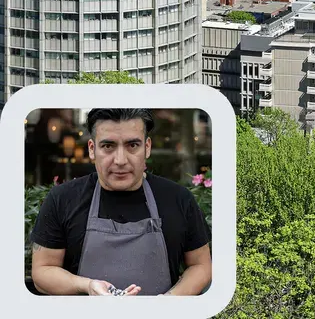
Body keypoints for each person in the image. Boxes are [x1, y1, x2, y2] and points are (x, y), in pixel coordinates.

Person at [30, 108, 212, 296]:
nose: (120, 160)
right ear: (92, 149)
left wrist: (168, 303)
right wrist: (86, 285)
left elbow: (201, 266)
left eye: (132, 145)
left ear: (147, 147)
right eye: (108, 146)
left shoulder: (179, 199)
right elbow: (43, 272)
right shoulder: (62, 199)